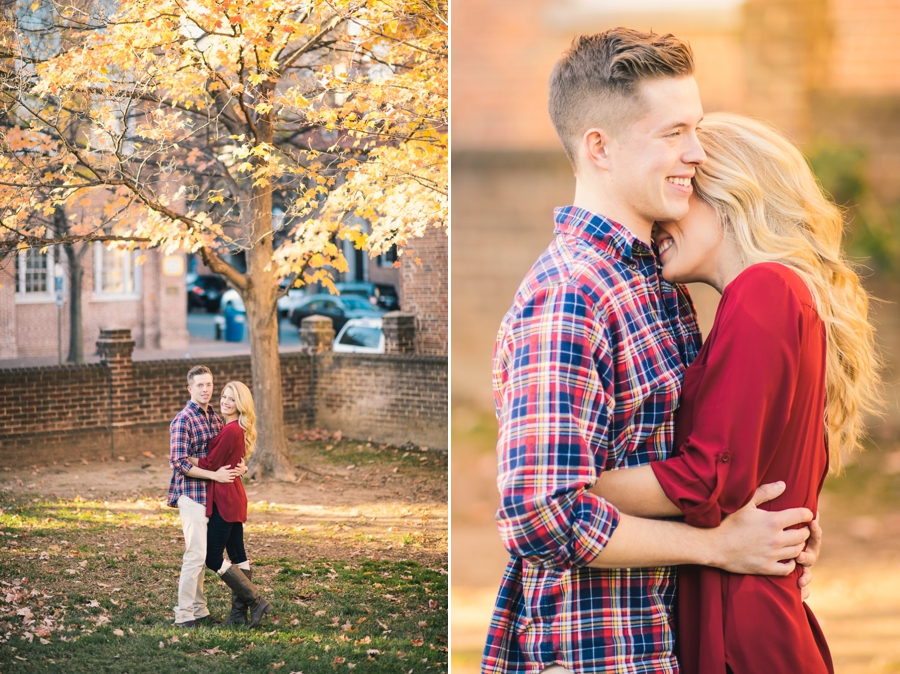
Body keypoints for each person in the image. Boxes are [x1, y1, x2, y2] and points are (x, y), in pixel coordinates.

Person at [482, 29, 819, 673]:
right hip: (595, 654)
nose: (696, 152)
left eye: (693, 128)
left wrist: (775, 530)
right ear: (600, 148)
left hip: (664, 642)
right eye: (672, 133)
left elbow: (704, 462)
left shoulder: (658, 287)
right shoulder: (571, 294)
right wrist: (718, 546)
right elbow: (538, 515)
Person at [591, 113, 881, 673]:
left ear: (729, 195)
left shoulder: (764, 289)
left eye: (678, 199)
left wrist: (572, 491)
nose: (656, 227)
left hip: (742, 633)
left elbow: (711, 479)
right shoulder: (773, 297)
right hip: (744, 611)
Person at [187, 380, 273, 628]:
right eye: (223, 396)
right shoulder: (234, 428)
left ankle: (256, 602)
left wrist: (187, 457)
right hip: (233, 495)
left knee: (213, 558)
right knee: (238, 555)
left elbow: (212, 463)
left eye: (232, 399)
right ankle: (238, 616)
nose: (225, 401)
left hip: (225, 499)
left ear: (241, 404)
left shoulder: (232, 430)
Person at [168, 365, 245, 628]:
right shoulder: (183, 420)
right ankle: (184, 614)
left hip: (213, 498)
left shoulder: (214, 418)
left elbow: (223, 454)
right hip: (190, 495)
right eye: (200, 385)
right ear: (190, 389)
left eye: (209, 384)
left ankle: (200, 611)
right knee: (195, 554)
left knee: (201, 556)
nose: (205, 389)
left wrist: (240, 466)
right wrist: (214, 476)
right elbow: (178, 462)